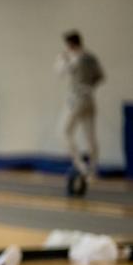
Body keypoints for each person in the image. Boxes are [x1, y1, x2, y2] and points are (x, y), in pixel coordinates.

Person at [55, 30, 104, 180]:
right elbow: (100, 76)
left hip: (76, 98)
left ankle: (81, 166)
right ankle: (93, 171)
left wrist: (64, 59)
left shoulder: (73, 57)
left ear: (70, 44)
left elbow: (59, 72)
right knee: (90, 136)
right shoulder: (91, 57)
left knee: (63, 132)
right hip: (90, 99)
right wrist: (88, 87)